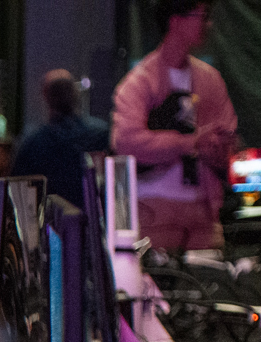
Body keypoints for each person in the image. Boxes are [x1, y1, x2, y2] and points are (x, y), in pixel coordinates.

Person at [112, 0, 239, 255]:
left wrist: (218, 148)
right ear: (175, 20)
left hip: (204, 212)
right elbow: (126, 141)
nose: (208, 24)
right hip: (154, 212)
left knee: (212, 285)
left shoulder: (210, 80)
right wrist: (191, 142)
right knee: (163, 289)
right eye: (202, 16)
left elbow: (228, 139)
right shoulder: (140, 82)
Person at [12, 70, 110, 204]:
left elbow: (18, 196)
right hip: (95, 223)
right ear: (76, 94)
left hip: (50, 223)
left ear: (45, 97)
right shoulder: (101, 135)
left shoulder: (32, 145)